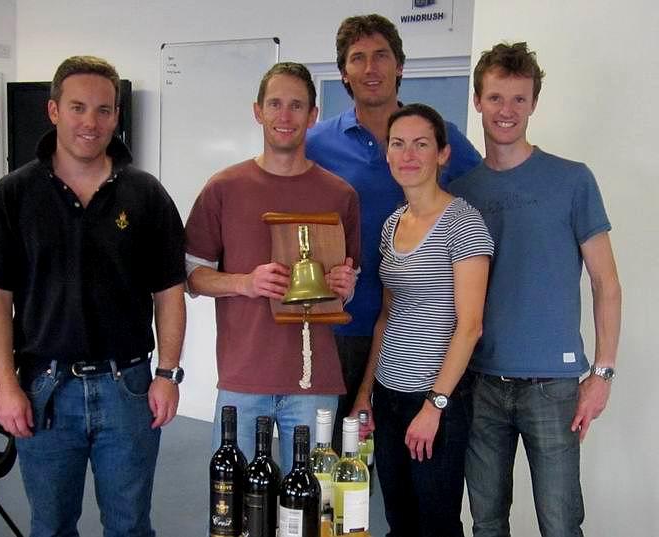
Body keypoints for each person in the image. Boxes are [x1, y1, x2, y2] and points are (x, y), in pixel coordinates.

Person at [0, 55, 187, 537]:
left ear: (117, 116)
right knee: (52, 525)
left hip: (128, 387)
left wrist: (167, 374)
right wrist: (5, 384)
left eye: (104, 110)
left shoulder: (146, 195)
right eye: (78, 107)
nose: (91, 121)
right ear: (54, 111)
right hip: (44, 387)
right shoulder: (13, 195)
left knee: (129, 526)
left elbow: (170, 292)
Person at [449, 42, 622, 537]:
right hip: (479, 383)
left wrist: (603, 373)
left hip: (554, 386)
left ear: (533, 104)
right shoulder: (462, 192)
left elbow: (606, 283)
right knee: (485, 523)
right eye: (496, 97)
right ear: (478, 100)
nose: (507, 111)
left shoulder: (572, 180)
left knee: (561, 524)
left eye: (519, 99)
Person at [306, 13, 482, 451]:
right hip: (336, 328)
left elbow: (484, 199)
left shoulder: (439, 136)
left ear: (400, 65)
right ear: (343, 72)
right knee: (329, 462)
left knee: (411, 470)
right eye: (358, 58)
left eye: (381, 56)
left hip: (415, 335)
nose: (371, 68)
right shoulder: (317, 142)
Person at [184, 62, 360, 474]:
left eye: (297, 105)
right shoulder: (223, 188)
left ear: (313, 115)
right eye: (275, 104)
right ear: (257, 111)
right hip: (243, 380)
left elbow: (348, 281)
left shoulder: (340, 195)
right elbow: (193, 276)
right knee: (237, 511)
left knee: (312, 509)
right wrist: (246, 283)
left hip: (314, 383)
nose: (285, 116)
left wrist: (344, 285)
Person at [352, 104, 493, 536]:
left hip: (435, 400)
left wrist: (435, 406)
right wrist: (364, 397)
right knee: (398, 519)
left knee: (436, 523)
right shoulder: (393, 223)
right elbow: (387, 317)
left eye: (421, 144)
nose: (408, 155)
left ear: (442, 154)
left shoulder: (463, 224)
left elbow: (470, 327)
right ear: (388, 154)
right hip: (389, 394)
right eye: (398, 144)